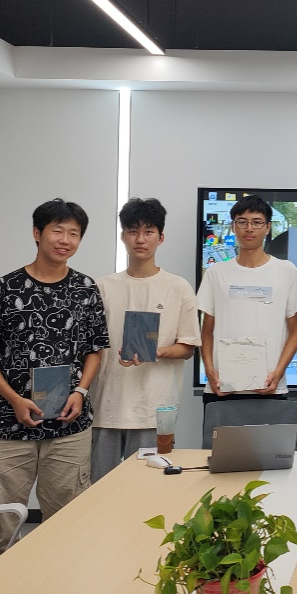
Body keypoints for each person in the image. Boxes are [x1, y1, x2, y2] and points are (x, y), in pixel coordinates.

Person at [0, 198, 109, 556]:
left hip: (68, 426)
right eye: (58, 231)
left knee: (67, 526)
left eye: (74, 234)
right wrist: (14, 399)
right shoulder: (5, 288)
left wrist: (81, 391)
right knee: (0, 528)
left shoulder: (86, 289)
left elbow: (95, 349)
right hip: (7, 424)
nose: (65, 240)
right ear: (37, 233)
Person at [91, 198, 200, 481]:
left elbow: (188, 346)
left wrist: (156, 351)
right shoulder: (102, 287)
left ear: (161, 237)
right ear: (123, 236)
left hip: (154, 409)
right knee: (99, 488)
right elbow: (90, 345)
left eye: (148, 231)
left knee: (147, 487)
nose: (140, 239)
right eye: (132, 231)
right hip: (105, 406)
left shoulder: (178, 287)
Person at [197, 195, 297, 407]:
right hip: (222, 388)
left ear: (267, 227)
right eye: (242, 222)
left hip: (268, 386)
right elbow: (206, 331)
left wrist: (278, 372)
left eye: (256, 222)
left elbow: (295, 332)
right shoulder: (216, 272)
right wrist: (209, 370)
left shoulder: (286, 271)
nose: (249, 229)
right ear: (233, 227)